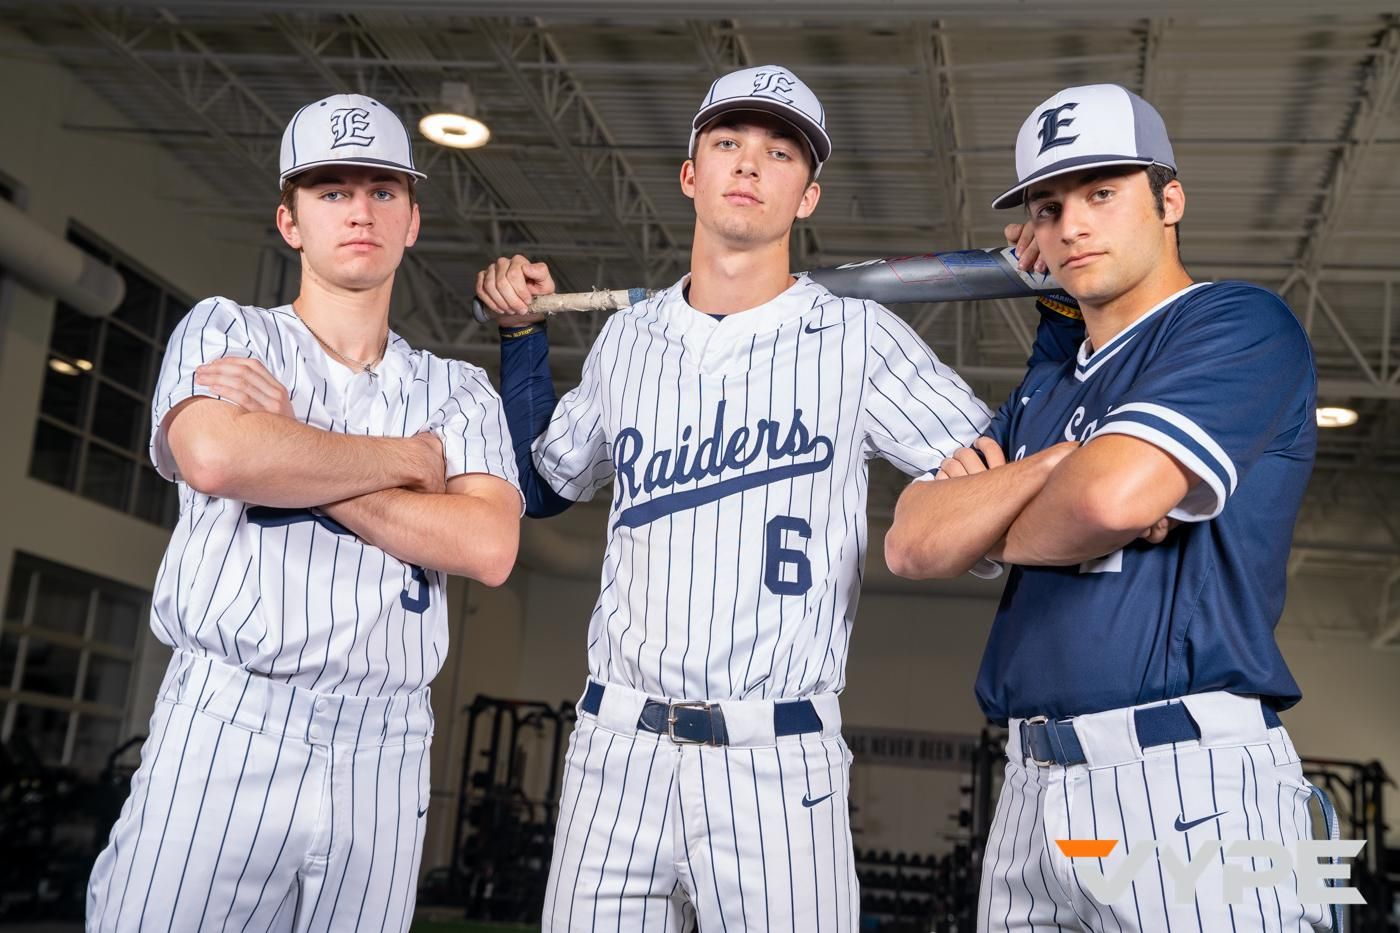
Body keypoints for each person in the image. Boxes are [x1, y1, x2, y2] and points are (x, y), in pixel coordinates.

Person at [474, 65, 1083, 931]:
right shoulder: (626, 343)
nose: (750, 164)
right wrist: (522, 340)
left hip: (776, 752)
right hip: (616, 748)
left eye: (779, 151)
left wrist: (1059, 318)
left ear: (808, 194)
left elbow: (1001, 477)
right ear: (692, 173)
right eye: (727, 142)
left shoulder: (862, 338)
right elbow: (539, 484)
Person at [885, 83, 1333, 932]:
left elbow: (1106, 498)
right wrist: (1055, 465)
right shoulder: (1049, 393)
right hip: (1029, 788)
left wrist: (1002, 506)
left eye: (1102, 192)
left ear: (1170, 199)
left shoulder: (1239, 322)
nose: (1072, 226)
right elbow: (912, 541)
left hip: (1191, 778)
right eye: (1048, 208)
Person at [86, 93, 522, 933]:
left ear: (412, 218)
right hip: (232, 717)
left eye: (381, 190)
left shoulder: (457, 390)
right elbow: (216, 456)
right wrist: (405, 464)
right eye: (330, 191)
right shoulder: (229, 330)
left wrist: (289, 446)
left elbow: (487, 542)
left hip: (386, 742)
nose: (358, 210)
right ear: (290, 221)